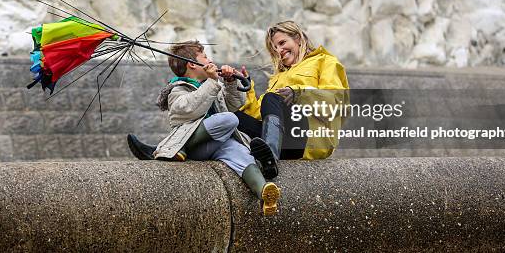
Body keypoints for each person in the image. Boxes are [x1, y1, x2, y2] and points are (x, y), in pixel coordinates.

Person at [128, 21, 349, 179]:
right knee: (229, 115)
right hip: (283, 141)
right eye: (275, 48)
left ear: (298, 39)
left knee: (273, 99)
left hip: (308, 139)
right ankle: (165, 150)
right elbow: (257, 115)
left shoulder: (326, 62)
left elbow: (338, 103)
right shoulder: (279, 77)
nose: (280, 51)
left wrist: (299, 94)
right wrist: (244, 84)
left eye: (283, 43)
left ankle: (269, 154)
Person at [150, 40, 281, 216]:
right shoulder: (178, 89)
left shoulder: (212, 85)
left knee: (240, 153)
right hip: (191, 146)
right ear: (192, 64)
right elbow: (189, 109)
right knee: (228, 119)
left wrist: (229, 83)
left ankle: (264, 192)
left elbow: (234, 105)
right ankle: (184, 147)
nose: (210, 60)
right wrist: (213, 81)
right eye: (205, 57)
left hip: (216, 143)